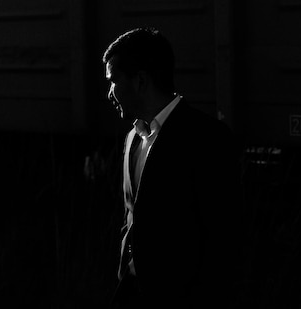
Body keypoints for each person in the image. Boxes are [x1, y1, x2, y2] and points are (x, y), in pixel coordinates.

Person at [103, 27, 244, 308]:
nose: (110, 94)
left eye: (114, 81)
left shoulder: (208, 139)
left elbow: (222, 242)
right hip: (131, 293)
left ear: (141, 81)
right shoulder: (132, 138)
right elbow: (132, 216)